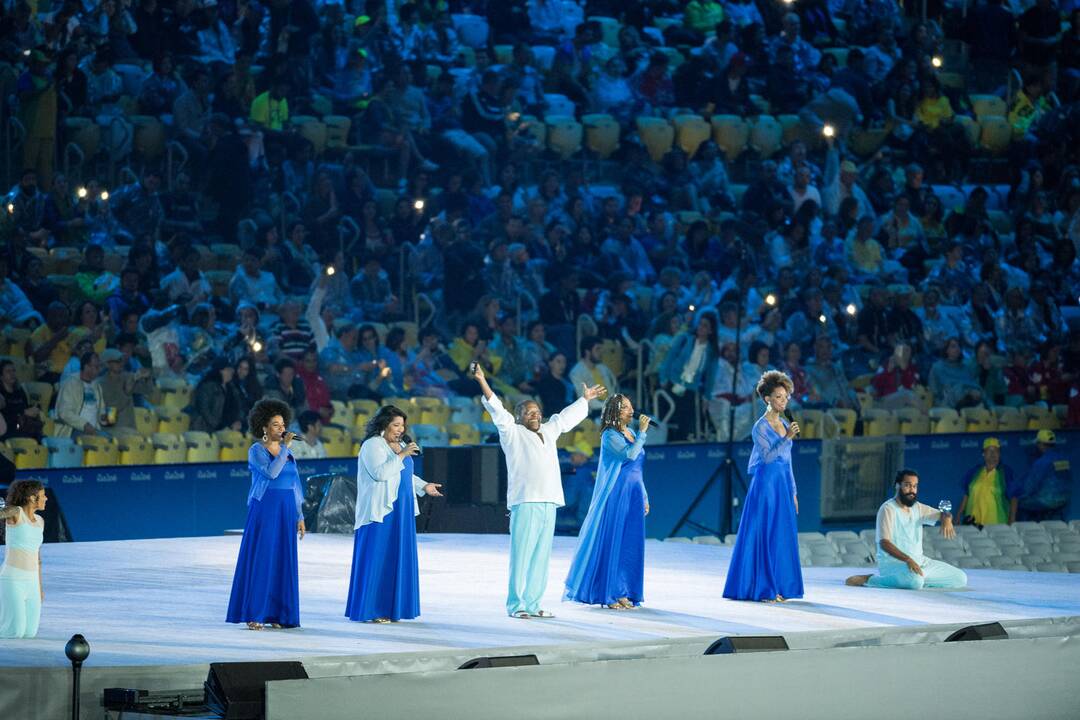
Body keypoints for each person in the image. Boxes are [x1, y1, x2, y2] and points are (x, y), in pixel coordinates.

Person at [473, 363, 604, 618]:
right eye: (528, 412)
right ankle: (516, 604)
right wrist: (482, 380)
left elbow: (564, 419)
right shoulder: (512, 433)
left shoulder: (548, 430)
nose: (534, 415)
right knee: (521, 556)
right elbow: (498, 410)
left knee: (541, 558)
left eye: (536, 411)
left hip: (549, 501)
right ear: (519, 416)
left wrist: (584, 400)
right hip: (526, 502)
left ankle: (533, 604)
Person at [346, 405, 442, 623]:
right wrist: (401, 454)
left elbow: (403, 473)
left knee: (396, 558)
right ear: (384, 424)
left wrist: (424, 486)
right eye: (396, 425)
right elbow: (381, 474)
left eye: (402, 426)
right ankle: (373, 608)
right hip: (382, 509)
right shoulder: (372, 445)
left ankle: (394, 607)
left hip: (402, 508)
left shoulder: (400, 446)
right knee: (378, 557)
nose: (400, 430)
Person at [723, 370, 803, 602]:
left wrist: (794, 491)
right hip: (766, 484)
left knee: (780, 535)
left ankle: (779, 586)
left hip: (782, 485)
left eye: (786, 397)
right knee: (764, 534)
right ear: (768, 399)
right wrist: (786, 438)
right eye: (779, 396)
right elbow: (767, 457)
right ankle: (763, 588)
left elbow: (788, 462)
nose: (784, 400)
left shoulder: (786, 423)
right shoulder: (760, 426)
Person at [564, 394, 651, 610]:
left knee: (628, 544)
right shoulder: (609, 436)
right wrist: (643, 433)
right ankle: (609, 593)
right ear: (614, 412)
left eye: (631, 407)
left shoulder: (631, 432)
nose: (631, 411)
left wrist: (645, 496)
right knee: (613, 541)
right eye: (625, 408)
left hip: (633, 492)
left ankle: (623, 591)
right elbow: (629, 455)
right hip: (617, 493)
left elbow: (637, 469)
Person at [226, 399, 306, 630]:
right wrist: (284, 450)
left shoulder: (288, 453)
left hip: (286, 508)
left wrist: (299, 516)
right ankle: (255, 612)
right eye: (275, 425)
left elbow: (295, 485)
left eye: (283, 425)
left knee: (282, 560)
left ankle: (278, 613)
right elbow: (271, 473)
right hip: (266, 508)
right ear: (264, 427)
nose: (282, 430)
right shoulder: (256, 451)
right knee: (263, 558)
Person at [846, 469, 966, 590]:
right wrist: (908, 560)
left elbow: (943, 514)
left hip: (920, 562)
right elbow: (884, 543)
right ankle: (870, 579)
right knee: (915, 581)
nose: (912, 490)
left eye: (914, 486)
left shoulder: (918, 507)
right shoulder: (888, 509)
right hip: (894, 564)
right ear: (897, 486)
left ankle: (915, 579)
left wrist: (947, 518)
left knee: (960, 578)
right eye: (907, 485)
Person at [0, 480, 46, 638]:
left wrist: (39, 588)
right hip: (13, 579)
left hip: (32, 582)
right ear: (32, 498)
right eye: (42, 495)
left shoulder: (40, 521)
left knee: (29, 633)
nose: (46, 498)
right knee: (15, 631)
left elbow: (38, 558)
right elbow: (4, 512)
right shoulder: (16, 513)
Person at [958, 437, 1020, 527]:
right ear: (983, 453)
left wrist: (1012, 520)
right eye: (989, 451)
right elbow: (967, 494)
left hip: (997, 524)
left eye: (996, 451)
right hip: (972, 522)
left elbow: (1014, 497)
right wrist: (959, 515)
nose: (993, 454)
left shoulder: (1006, 472)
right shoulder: (974, 472)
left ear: (1000, 454)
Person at [1017, 430, 1072, 521]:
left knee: (1017, 503)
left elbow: (1030, 487)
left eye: (1038, 444)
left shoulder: (1041, 462)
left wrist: (1017, 496)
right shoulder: (1064, 459)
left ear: (1041, 444)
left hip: (1046, 502)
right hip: (1064, 499)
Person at [569, 335, 619, 413]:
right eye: (597, 349)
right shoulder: (576, 372)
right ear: (587, 352)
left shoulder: (603, 368)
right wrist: (607, 407)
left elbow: (614, 388)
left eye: (601, 349)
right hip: (594, 412)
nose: (601, 352)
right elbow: (583, 398)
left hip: (611, 407)